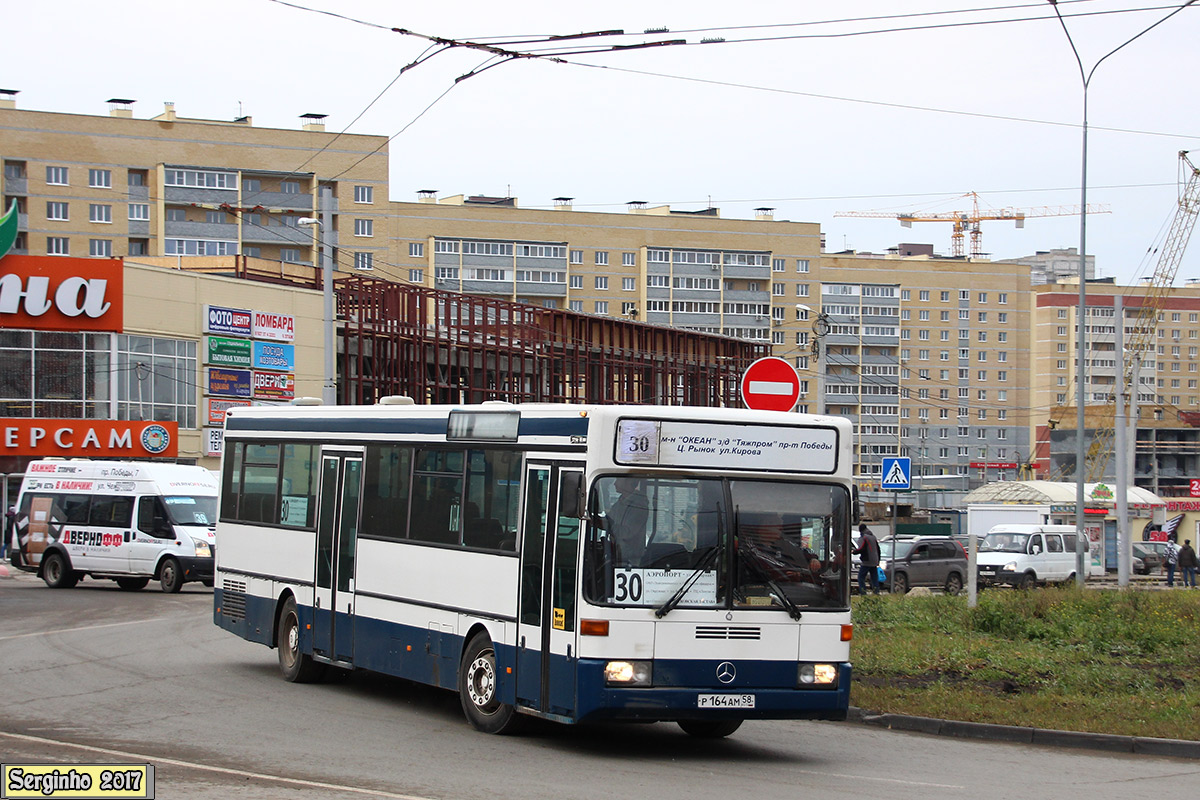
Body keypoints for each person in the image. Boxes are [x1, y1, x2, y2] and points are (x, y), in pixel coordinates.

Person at [606, 477, 650, 565]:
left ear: (628, 482)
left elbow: (627, 533)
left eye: (618, 480)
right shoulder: (619, 503)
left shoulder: (639, 506)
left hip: (630, 560)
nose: (615, 484)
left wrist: (607, 526)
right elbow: (610, 519)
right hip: (617, 555)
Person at [853, 523, 881, 595]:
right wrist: (878, 560)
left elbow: (861, 548)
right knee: (874, 577)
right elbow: (878, 549)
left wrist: (854, 552)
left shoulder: (864, 537)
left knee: (861, 577)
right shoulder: (873, 537)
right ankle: (876, 592)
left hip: (867, 561)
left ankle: (863, 593)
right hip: (874, 560)